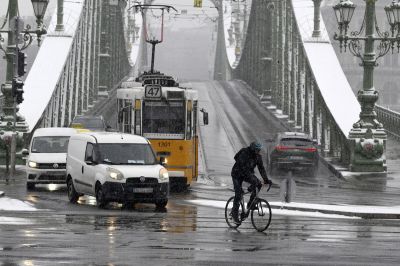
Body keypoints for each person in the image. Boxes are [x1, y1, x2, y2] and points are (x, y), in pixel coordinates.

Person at [231, 141, 272, 224]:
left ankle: (250, 204)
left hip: (247, 174)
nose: (258, 152)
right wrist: (243, 166)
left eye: (259, 150)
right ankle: (234, 215)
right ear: (252, 149)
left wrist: (266, 179)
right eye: (257, 150)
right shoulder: (244, 152)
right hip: (237, 173)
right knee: (238, 194)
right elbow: (236, 158)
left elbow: (261, 168)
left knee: (259, 184)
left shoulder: (257, 157)